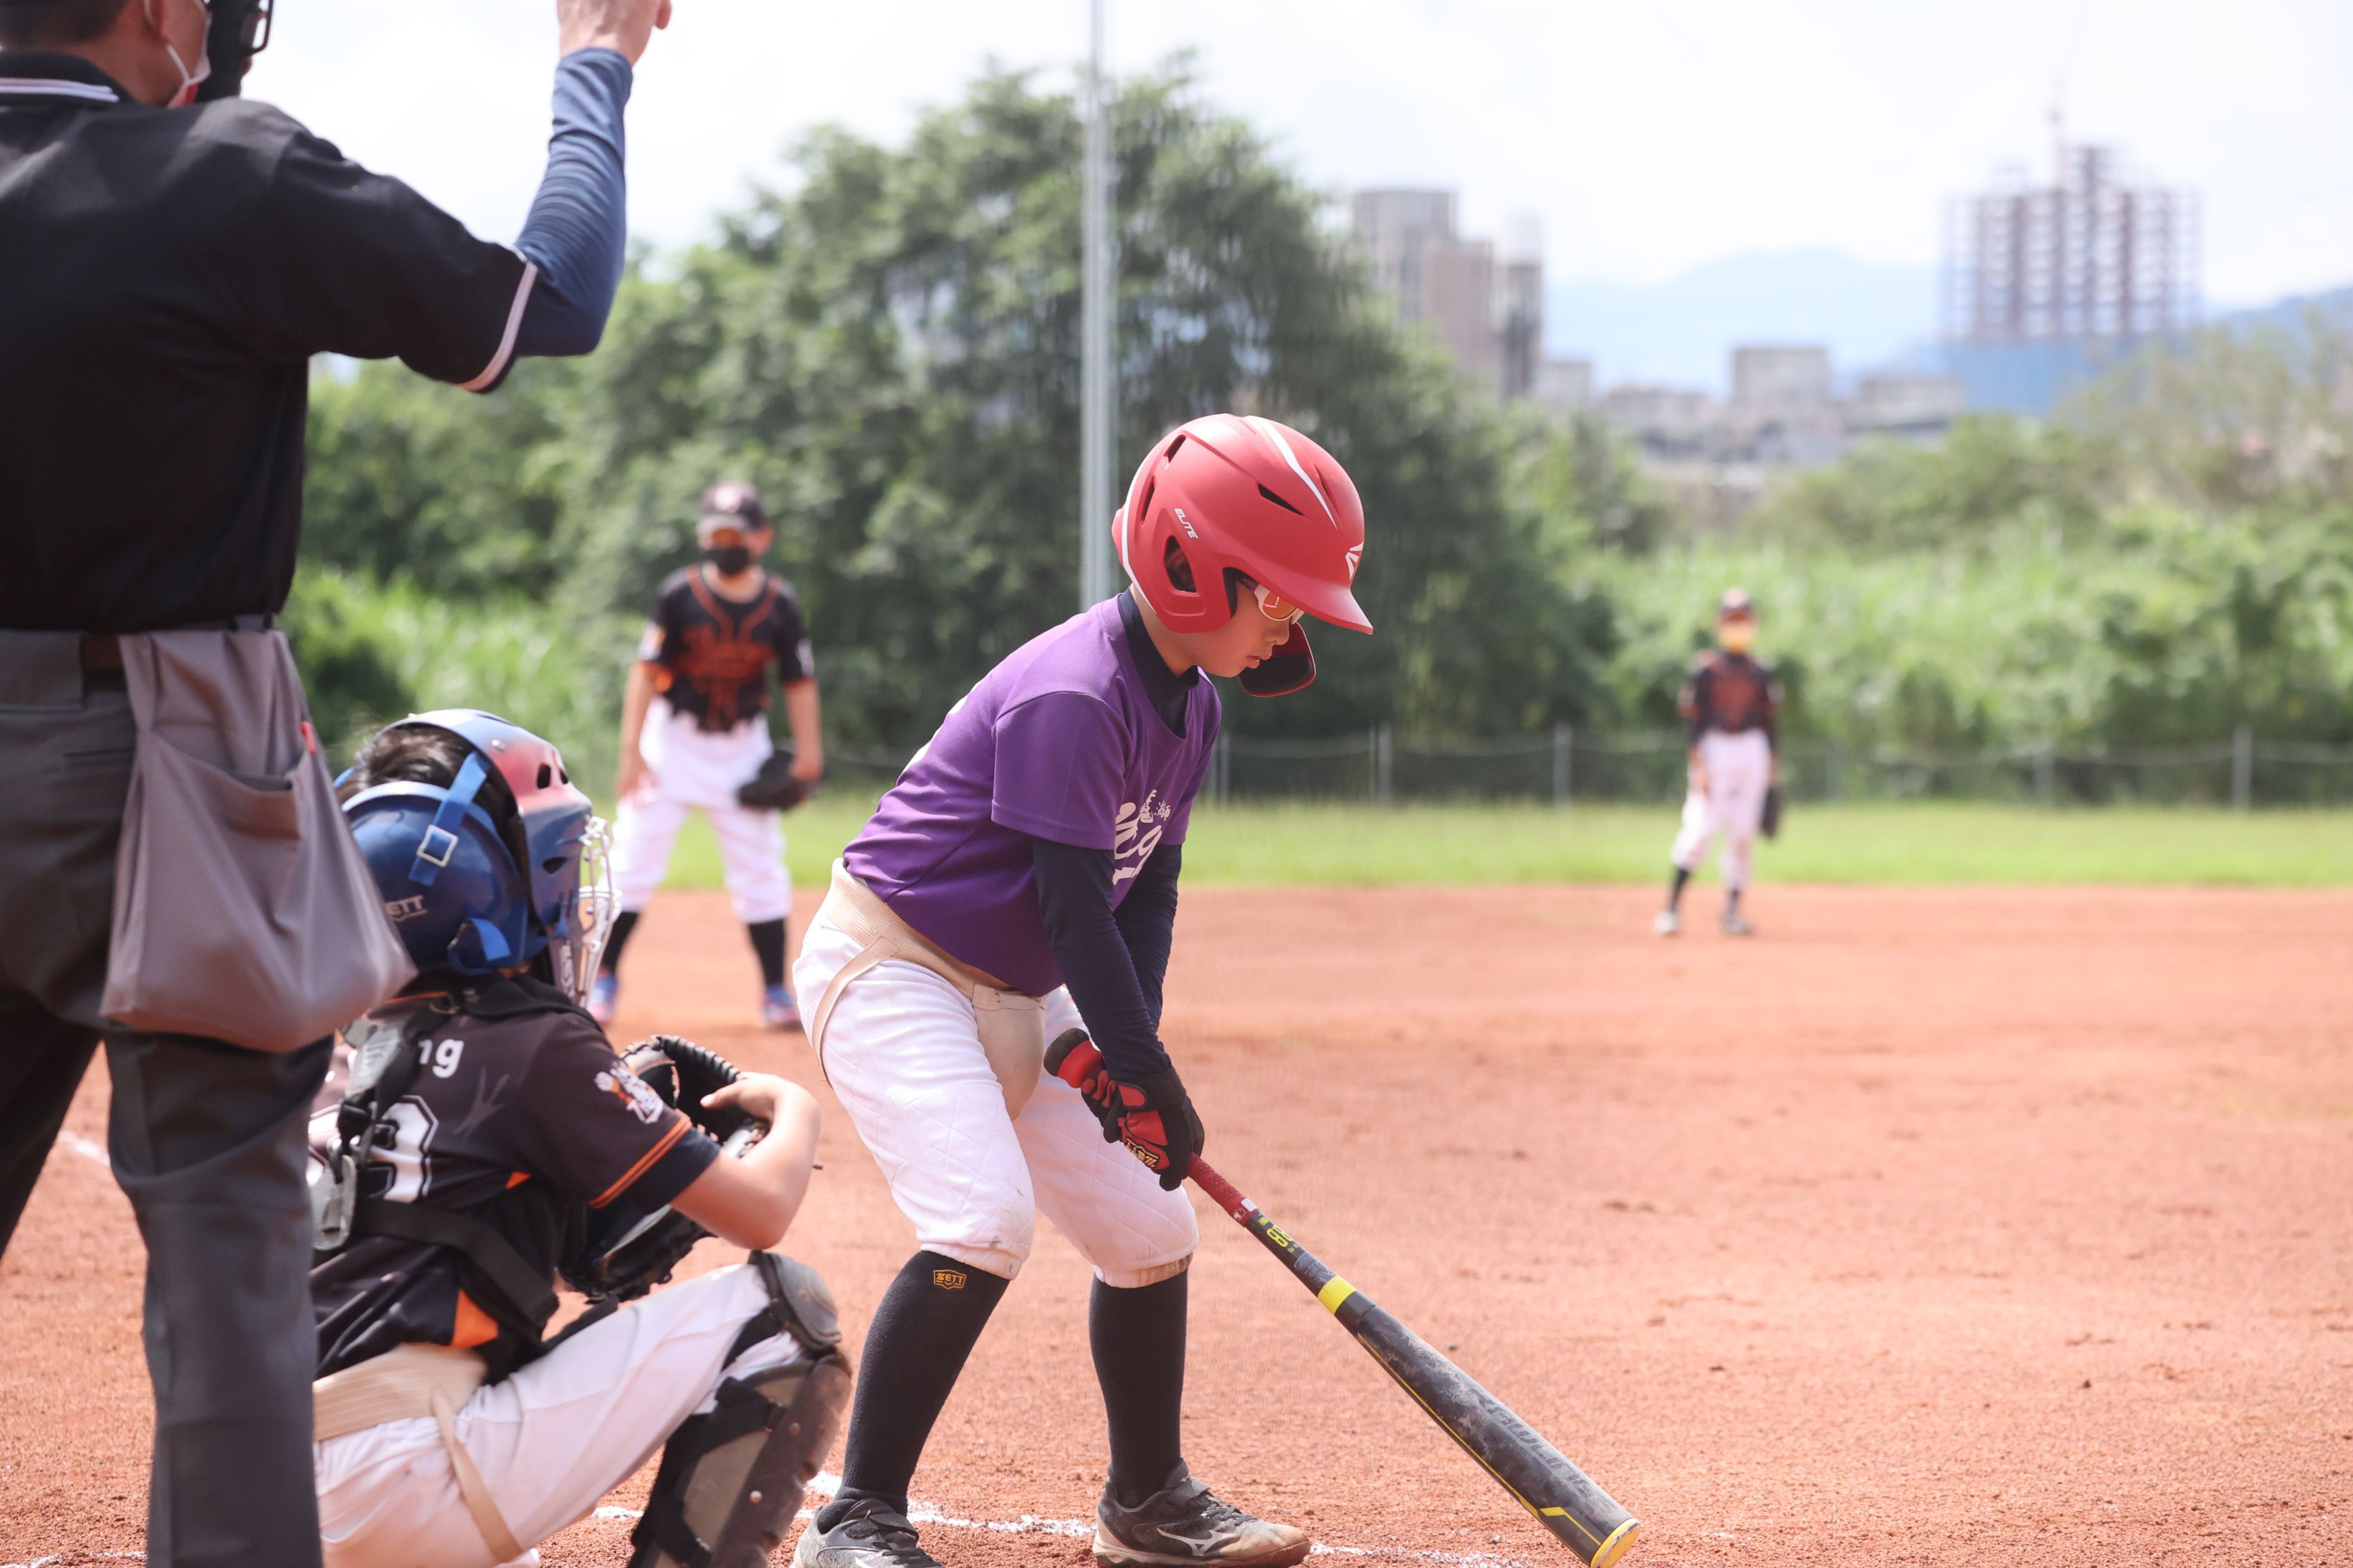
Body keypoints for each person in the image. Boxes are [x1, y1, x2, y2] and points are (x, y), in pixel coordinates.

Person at [0, 1, 672, 1559]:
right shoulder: (224, 174)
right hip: (171, 752)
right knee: (228, 1246)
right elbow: (544, 301)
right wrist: (595, 62)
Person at [788, 414, 1370, 1568]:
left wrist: (1128, 1057)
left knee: (1149, 1227)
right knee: (981, 1219)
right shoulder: (1075, 692)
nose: (1290, 626)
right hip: (897, 964)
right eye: (1277, 597)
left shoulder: (1193, 704)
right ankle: (853, 1520)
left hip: (1024, 986)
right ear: (1192, 567)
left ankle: (1145, 1502)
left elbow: (1141, 900)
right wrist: (1144, 1072)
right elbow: (1070, 910)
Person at [313, 709, 846, 1568]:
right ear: (490, 887)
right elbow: (761, 1211)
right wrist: (797, 1107)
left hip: (281, 1486)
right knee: (783, 1313)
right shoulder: (529, 1040)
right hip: (412, 1470)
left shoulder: (336, 1048)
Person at [595, 481, 826, 1031]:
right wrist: (631, 752)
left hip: (743, 747)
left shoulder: (781, 603)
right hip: (672, 743)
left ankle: (774, 991)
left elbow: (798, 680)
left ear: (762, 538)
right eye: (715, 535)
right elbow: (646, 671)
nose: (725, 544)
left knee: (759, 868)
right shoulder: (679, 594)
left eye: (736, 535)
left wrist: (809, 755)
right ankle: (601, 979)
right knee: (632, 862)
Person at [1656, 588, 1782, 937]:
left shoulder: (1761, 671)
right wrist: (1698, 767)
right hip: (1715, 749)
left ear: (1754, 623)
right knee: (1699, 829)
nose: (1738, 626)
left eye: (1744, 619)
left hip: (1752, 749)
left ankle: (1732, 913)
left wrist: (1772, 772)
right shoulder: (1706, 670)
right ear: (1719, 623)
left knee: (1743, 833)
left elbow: (1770, 724)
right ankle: (1670, 910)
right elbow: (1693, 722)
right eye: (1732, 619)